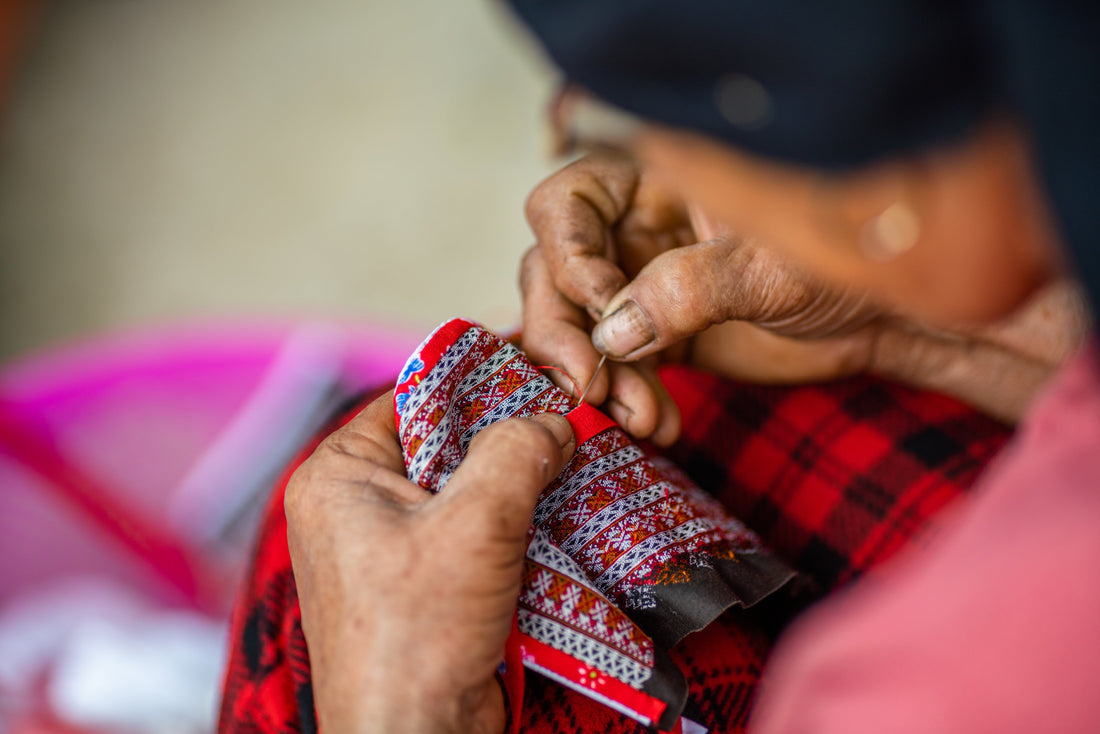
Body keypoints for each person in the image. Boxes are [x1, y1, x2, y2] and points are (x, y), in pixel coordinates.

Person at [220, 1, 1099, 732]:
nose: (644, 166)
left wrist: (402, 715)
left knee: (314, 592)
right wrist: (906, 323)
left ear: (885, 191)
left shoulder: (910, 699)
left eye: (625, 122)